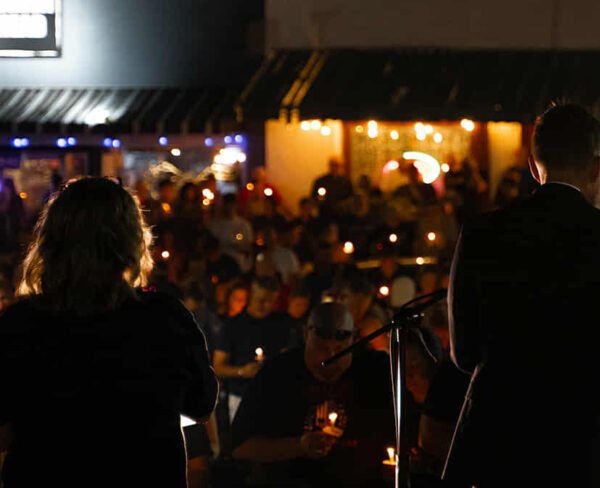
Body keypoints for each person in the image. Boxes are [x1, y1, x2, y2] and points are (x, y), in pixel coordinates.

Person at [446, 103, 600, 488]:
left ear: (534, 166)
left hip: (500, 441)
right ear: (597, 163)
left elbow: (464, 352)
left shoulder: (482, 234)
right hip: (591, 448)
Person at [0, 177, 217, 487]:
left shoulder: (20, 323)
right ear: (131, 241)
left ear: (51, 242)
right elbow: (201, 403)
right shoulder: (165, 318)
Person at [232, 303, 395, 487]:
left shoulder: (376, 371)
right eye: (321, 348)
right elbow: (240, 447)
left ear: (354, 339)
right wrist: (298, 446)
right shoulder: (278, 373)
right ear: (306, 335)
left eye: (340, 349)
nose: (330, 357)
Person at [214, 276, 299, 421]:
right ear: (252, 293)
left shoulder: (282, 324)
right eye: (260, 300)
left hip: (273, 395)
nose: (264, 305)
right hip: (241, 396)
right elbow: (218, 367)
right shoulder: (232, 326)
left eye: (269, 301)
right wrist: (242, 371)